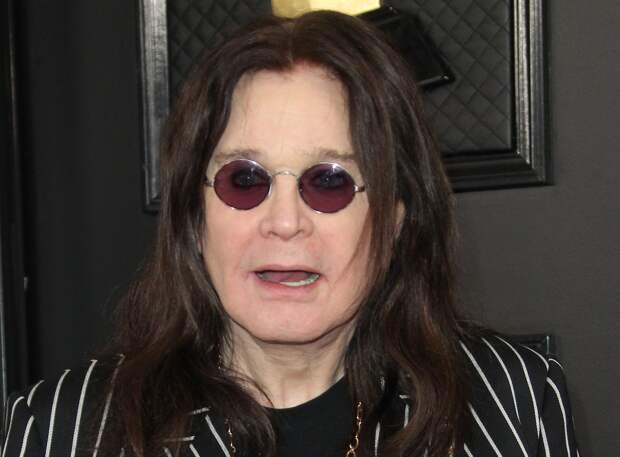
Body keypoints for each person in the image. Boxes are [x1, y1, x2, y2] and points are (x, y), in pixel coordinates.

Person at [2, 10, 578, 457]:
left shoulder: (511, 399)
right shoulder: (64, 429)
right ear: (194, 218)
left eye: (328, 182)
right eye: (244, 180)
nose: (283, 222)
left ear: (395, 223)